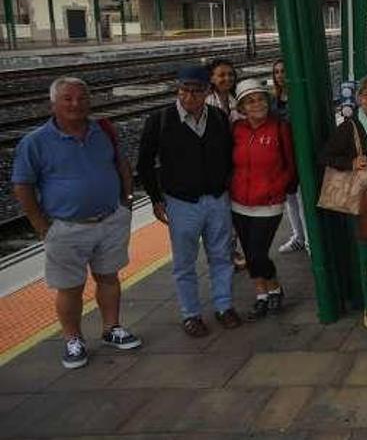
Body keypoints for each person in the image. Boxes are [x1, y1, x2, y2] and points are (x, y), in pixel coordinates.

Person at [12, 77, 142, 369]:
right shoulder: (35, 142)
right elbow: (22, 185)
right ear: (53, 104)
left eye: (82, 98)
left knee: (109, 277)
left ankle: (111, 329)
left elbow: (120, 165)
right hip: (65, 227)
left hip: (110, 219)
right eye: (67, 99)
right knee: (70, 287)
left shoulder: (103, 131)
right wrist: (41, 225)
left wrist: (128, 201)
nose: (76, 104)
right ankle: (73, 339)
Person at [136, 65, 242, 337]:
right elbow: (145, 164)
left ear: (208, 91)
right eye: (184, 90)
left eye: (196, 91)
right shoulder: (160, 120)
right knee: (184, 263)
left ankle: (224, 306)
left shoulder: (218, 117)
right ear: (178, 90)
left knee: (221, 257)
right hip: (181, 203)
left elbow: (230, 156)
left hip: (217, 199)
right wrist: (156, 199)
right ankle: (191, 314)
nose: (189, 97)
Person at [320, 75, 367, 329]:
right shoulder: (350, 127)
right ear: (359, 99)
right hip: (364, 199)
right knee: (366, 253)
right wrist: (350, 162)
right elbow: (325, 156)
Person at [228, 78, 295, 320]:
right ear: (242, 107)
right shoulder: (237, 130)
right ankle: (262, 295)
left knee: (257, 253)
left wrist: (276, 187)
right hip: (239, 202)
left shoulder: (279, 128)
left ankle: (275, 286)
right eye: (250, 101)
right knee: (249, 251)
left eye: (260, 99)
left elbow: (290, 165)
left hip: (268, 203)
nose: (256, 104)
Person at [273, 59, 308, 255]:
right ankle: (298, 236)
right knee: (290, 198)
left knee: (303, 198)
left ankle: (309, 240)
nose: (279, 75)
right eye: (276, 72)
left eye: (283, 71)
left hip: (300, 153)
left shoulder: (299, 98)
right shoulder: (274, 100)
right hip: (283, 156)